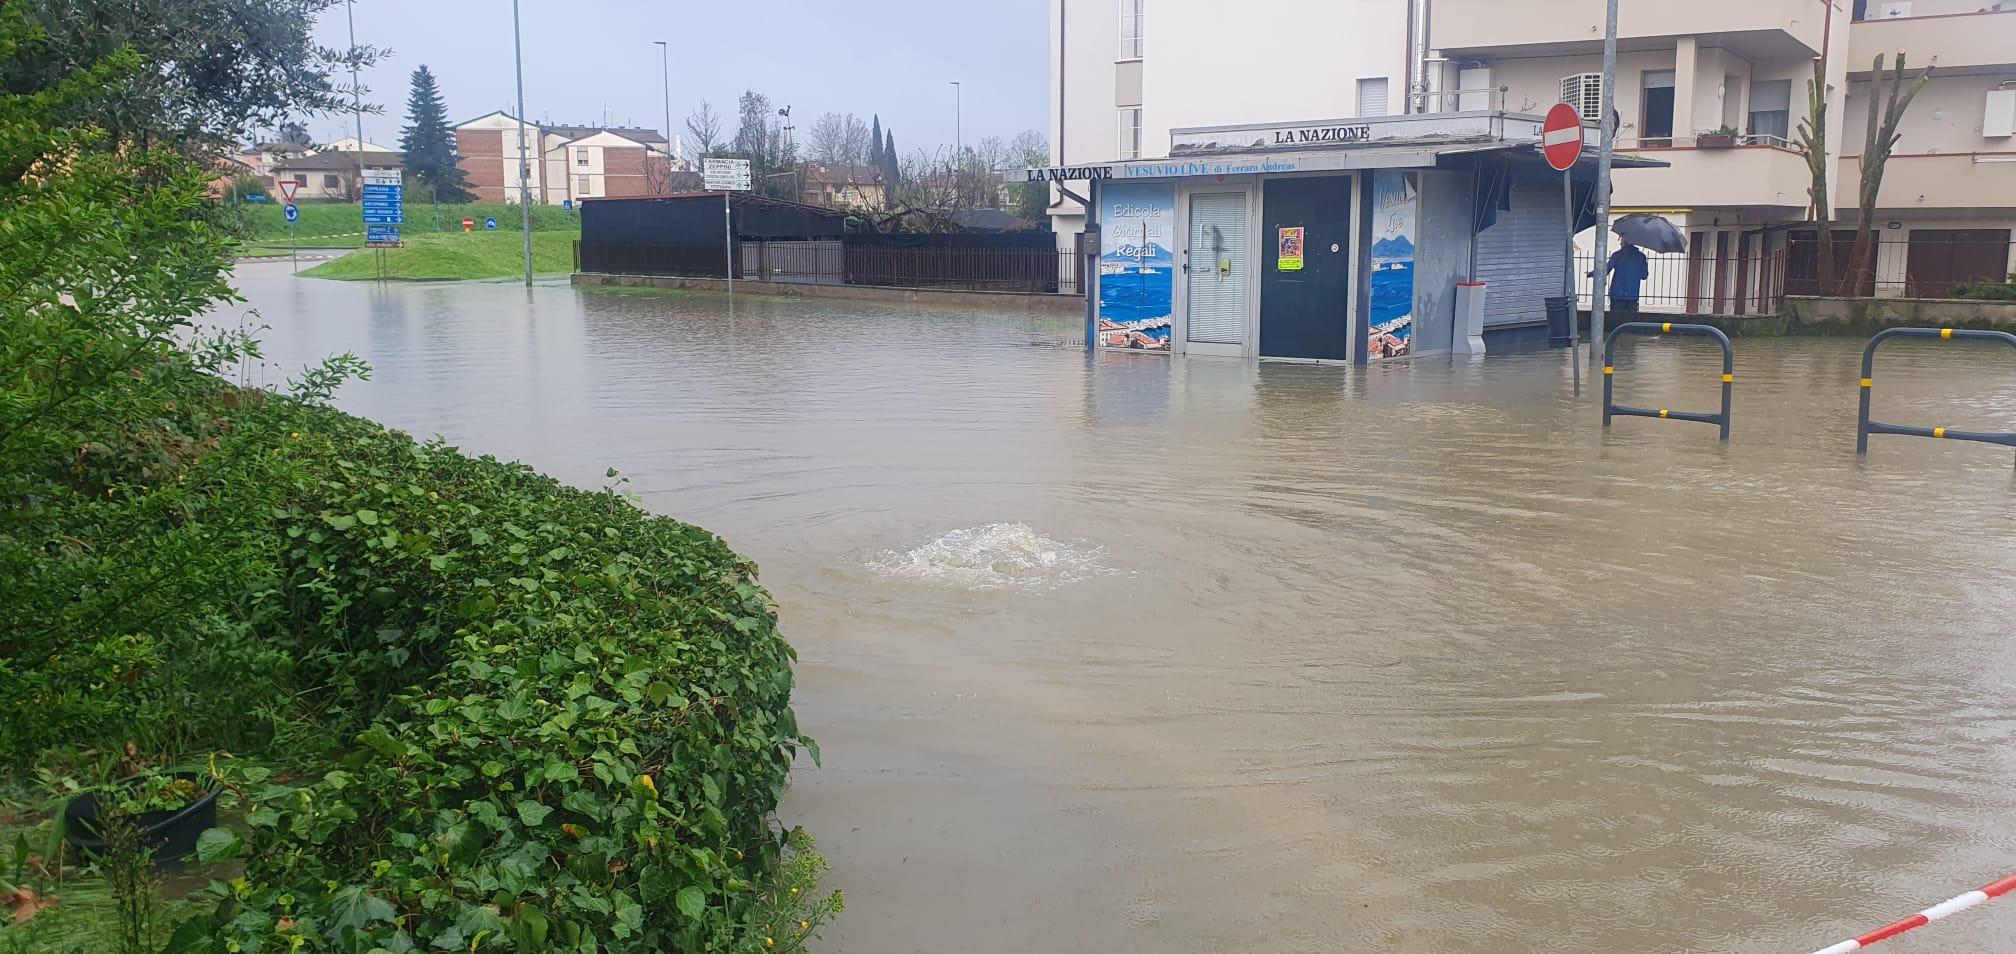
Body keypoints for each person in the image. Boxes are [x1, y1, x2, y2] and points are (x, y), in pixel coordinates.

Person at [1599, 241, 1650, 315]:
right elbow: (1644, 275)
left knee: (1615, 319)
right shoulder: (1641, 256)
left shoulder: (1617, 255)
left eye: (1621, 241)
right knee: (1630, 321)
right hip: (1632, 295)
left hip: (1616, 294)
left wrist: (1591, 274)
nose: (1620, 243)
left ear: (1624, 243)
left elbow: (1605, 270)